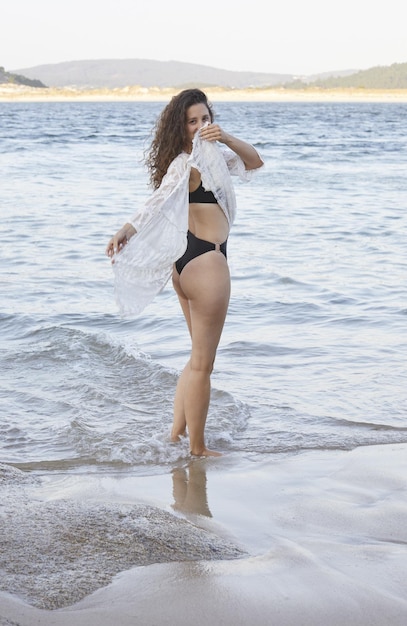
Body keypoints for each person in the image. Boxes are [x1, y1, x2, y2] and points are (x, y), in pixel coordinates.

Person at [106, 89, 263, 457]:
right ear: (181, 128)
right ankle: (198, 449)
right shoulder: (186, 164)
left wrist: (224, 137)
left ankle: (175, 435)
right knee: (204, 364)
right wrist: (126, 230)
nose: (201, 127)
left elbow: (254, 162)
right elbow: (156, 202)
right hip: (206, 263)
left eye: (205, 119)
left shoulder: (217, 159)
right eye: (193, 121)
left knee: (196, 359)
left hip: (188, 263)